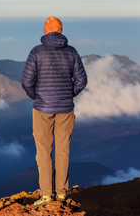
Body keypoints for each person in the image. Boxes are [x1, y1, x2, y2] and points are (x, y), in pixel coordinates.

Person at [21, 16, 87, 207]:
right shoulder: (72, 52)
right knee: (63, 151)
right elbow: (82, 81)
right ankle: (61, 194)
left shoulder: (36, 52)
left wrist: (37, 96)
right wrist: (69, 94)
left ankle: (46, 195)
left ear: (45, 30)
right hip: (66, 109)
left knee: (43, 151)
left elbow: (26, 81)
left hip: (42, 108)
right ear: (61, 30)